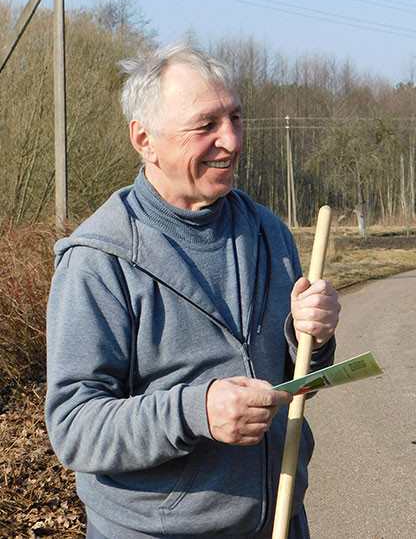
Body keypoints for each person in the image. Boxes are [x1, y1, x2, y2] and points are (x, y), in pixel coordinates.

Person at [45, 42, 340, 538]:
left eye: (236, 118)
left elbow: (297, 383)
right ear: (145, 139)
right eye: (206, 125)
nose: (231, 140)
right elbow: (75, 428)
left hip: (281, 521)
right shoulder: (98, 259)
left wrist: (311, 337)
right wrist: (195, 411)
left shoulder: (269, 233)